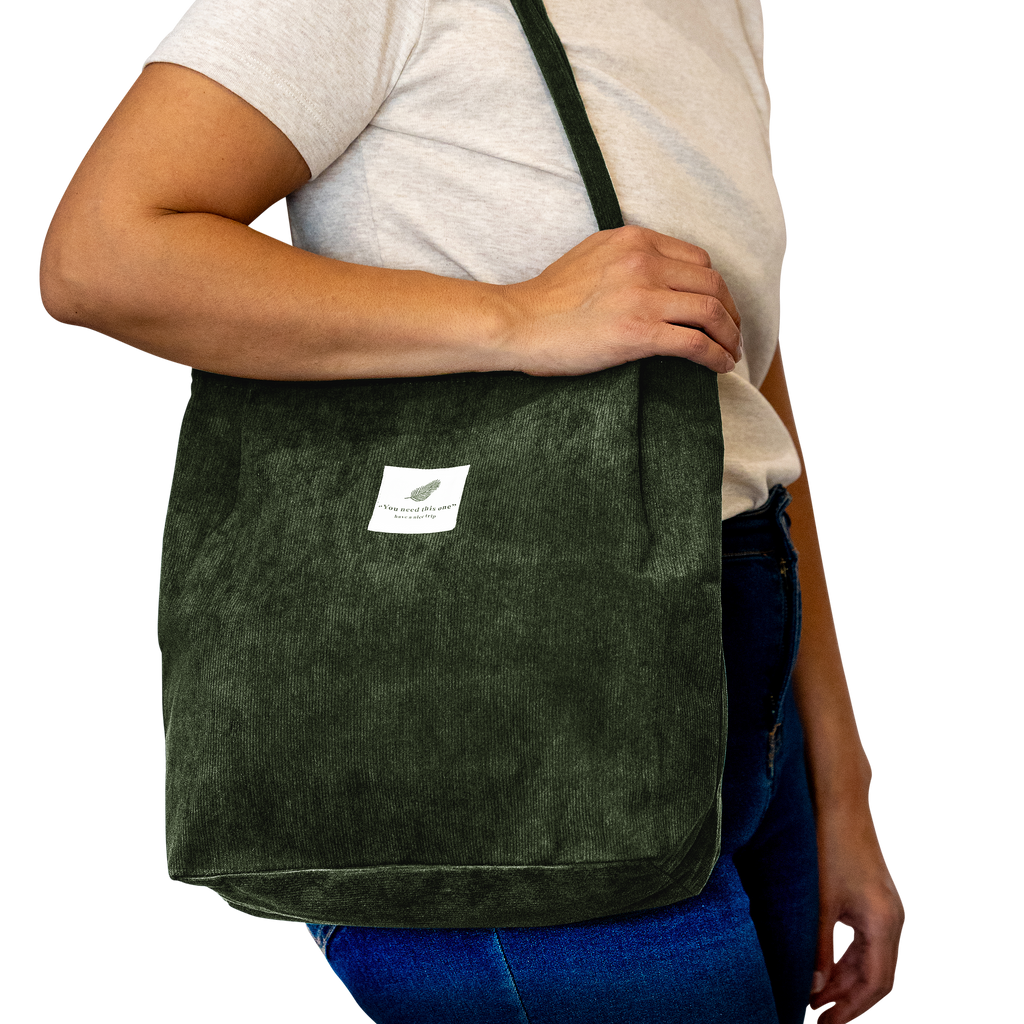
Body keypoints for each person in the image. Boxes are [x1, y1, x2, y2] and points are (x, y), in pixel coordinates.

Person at [36, 1, 906, 1021]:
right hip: (497, 688)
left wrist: (842, 786)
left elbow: (737, 369)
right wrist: (516, 318)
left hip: (746, 650)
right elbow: (101, 254)